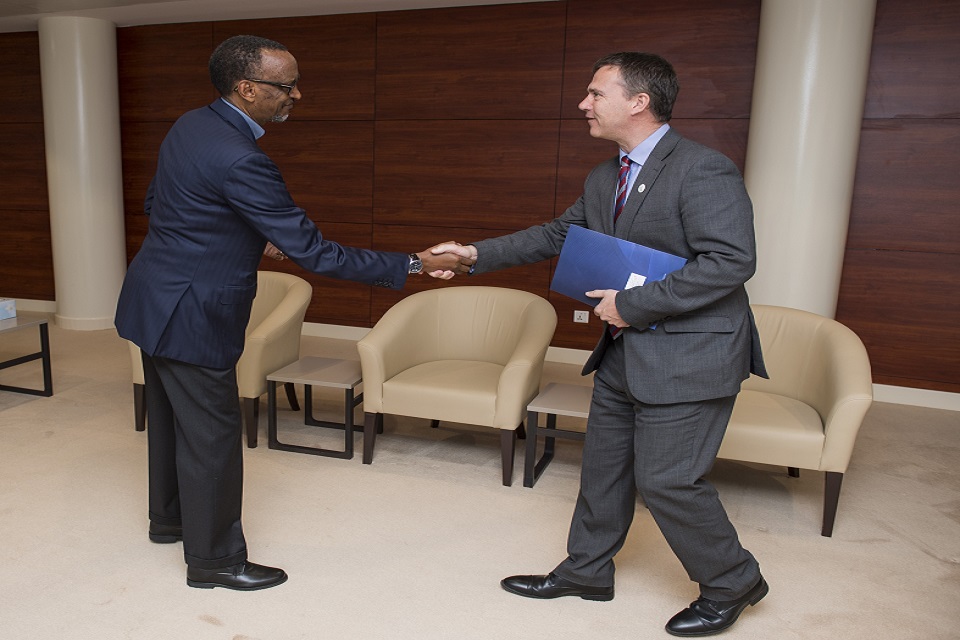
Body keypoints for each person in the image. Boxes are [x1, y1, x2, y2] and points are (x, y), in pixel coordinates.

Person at [114, 34, 469, 591]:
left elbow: (161, 203)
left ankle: (170, 523)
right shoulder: (242, 158)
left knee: (169, 419)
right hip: (195, 311)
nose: (297, 95)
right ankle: (215, 563)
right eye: (286, 86)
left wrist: (244, 236)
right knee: (211, 436)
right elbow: (316, 252)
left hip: (152, 296)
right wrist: (413, 264)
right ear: (247, 88)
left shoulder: (190, 125)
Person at [435, 52, 768, 636]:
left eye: (595, 93)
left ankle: (733, 580)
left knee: (668, 480)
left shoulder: (701, 169)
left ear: (639, 102)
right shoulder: (603, 175)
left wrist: (632, 305)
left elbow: (731, 262)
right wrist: (472, 256)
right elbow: (556, 234)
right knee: (604, 470)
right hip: (624, 351)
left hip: (690, 353)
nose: (583, 104)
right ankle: (587, 570)